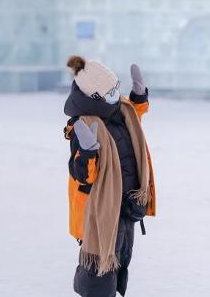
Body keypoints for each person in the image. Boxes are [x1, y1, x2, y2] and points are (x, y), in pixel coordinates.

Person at [63, 56, 156, 297]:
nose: (117, 94)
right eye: (111, 91)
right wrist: (87, 152)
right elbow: (83, 177)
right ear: (96, 97)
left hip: (125, 206)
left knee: (120, 260)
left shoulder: (119, 109)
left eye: (117, 88)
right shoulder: (84, 126)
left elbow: (132, 122)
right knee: (99, 272)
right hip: (101, 212)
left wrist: (139, 98)